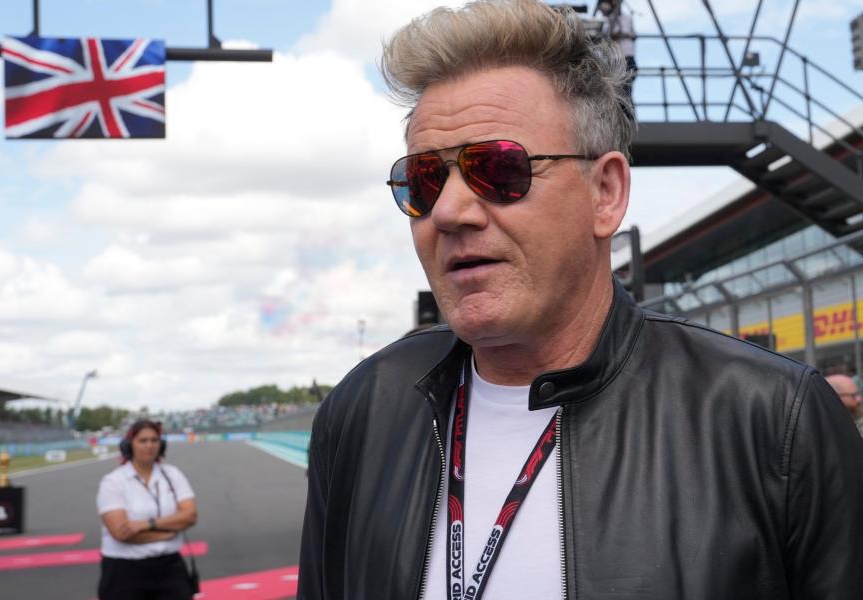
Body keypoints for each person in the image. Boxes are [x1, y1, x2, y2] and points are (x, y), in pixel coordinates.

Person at [297, 1, 863, 598]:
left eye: (497, 169)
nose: (449, 212)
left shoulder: (774, 422)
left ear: (606, 193)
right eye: (424, 180)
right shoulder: (362, 411)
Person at [96, 420, 198, 600]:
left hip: (170, 568)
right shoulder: (113, 482)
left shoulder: (172, 474)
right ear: (129, 445)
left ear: (161, 444)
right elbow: (121, 532)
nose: (149, 445)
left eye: (154, 440)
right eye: (142, 441)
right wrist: (168, 533)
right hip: (124, 572)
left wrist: (146, 524)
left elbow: (190, 516)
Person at [597, 0, 636, 107]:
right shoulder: (610, 21)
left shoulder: (624, 19)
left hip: (625, 57)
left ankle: (627, 113)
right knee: (621, 89)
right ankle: (626, 112)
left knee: (624, 88)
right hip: (617, 59)